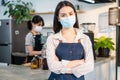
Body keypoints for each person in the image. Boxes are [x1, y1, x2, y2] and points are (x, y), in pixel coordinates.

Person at [46, 1, 94, 80]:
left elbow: (89, 66)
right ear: (58, 18)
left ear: (75, 14)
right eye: (63, 15)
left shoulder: (84, 38)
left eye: (71, 14)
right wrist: (78, 62)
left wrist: (62, 64)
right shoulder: (52, 39)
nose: (68, 17)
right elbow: (52, 66)